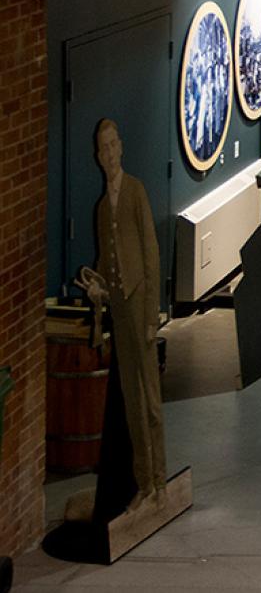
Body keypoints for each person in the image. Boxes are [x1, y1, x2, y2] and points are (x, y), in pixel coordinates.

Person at [73, 119, 166, 513]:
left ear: (121, 148)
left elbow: (150, 255)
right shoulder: (100, 209)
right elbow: (106, 264)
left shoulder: (135, 192)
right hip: (120, 317)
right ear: (98, 157)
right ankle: (145, 485)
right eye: (103, 149)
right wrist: (98, 289)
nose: (109, 154)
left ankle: (159, 482)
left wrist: (151, 316)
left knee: (151, 402)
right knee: (132, 401)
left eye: (113, 146)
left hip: (139, 309)